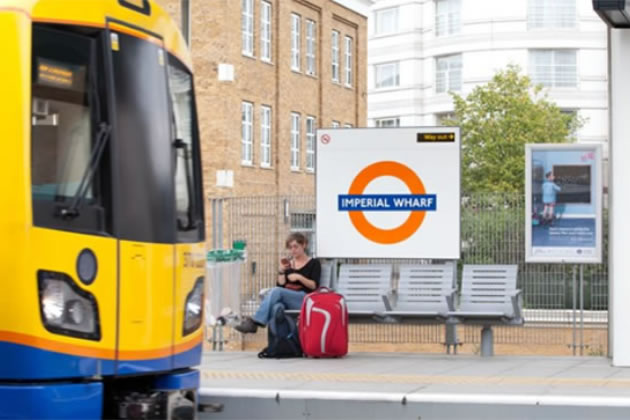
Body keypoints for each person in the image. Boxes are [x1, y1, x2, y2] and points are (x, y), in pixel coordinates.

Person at [234, 232, 321, 334]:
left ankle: (255, 322)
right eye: (290, 247)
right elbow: (281, 286)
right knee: (276, 308)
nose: (293, 250)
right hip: (286, 298)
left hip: (304, 299)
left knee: (277, 292)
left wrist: (299, 277)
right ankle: (279, 343)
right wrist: (281, 271)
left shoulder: (314, 263)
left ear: (304, 245)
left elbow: (314, 285)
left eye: (295, 247)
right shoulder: (289, 263)